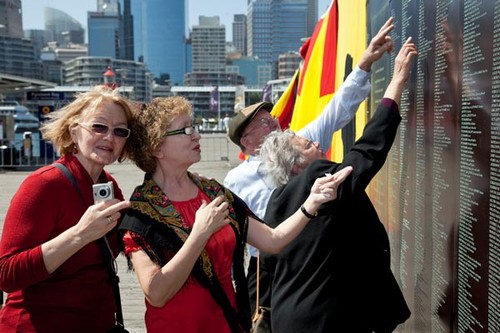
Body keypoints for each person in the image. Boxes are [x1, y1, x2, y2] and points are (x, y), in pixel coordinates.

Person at [117, 96, 352, 333]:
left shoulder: (213, 191)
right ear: (157, 147)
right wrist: (199, 234)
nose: (197, 135)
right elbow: (156, 293)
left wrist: (312, 202)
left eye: (195, 128)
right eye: (186, 130)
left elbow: (272, 240)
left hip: (226, 323)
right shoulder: (142, 212)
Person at [224, 17, 396, 314]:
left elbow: (338, 109)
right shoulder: (236, 180)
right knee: (262, 320)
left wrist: (365, 63)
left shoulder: (300, 144)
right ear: (247, 142)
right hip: (268, 265)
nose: (275, 124)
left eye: (272, 118)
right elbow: (229, 234)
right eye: (264, 123)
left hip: (316, 253)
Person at [256, 38, 418, 332]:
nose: (317, 143)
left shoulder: (275, 203)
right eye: (307, 145)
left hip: (286, 320)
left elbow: (265, 272)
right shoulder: (317, 177)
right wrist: (397, 81)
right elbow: (367, 151)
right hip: (325, 321)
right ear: (297, 165)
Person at [0, 86, 134, 332]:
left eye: (119, 131)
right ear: (74, 132)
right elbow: (7, 274)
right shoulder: (45, 184)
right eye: (98, 127)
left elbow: (128, 243)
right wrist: (80, 234)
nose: (109, 137)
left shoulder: (108, 185)